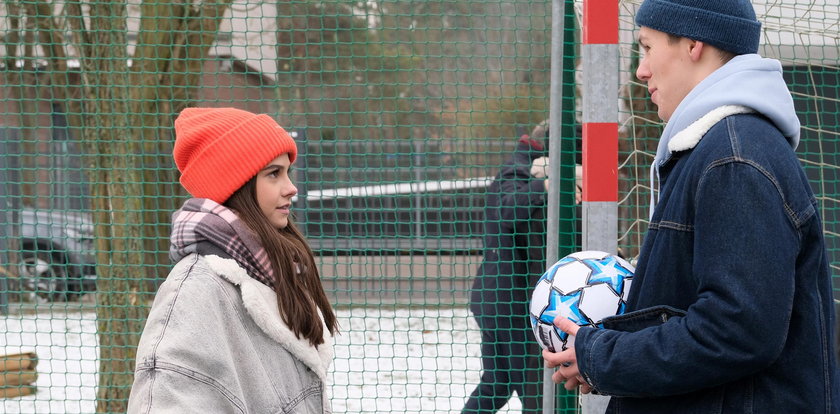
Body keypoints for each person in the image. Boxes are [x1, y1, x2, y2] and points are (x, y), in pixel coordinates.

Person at [543, 0, 839, 412]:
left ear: (693, 43)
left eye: (647, 48)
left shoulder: (735, 157)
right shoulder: (718, 149)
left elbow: (736, 330)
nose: (640, 70)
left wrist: (604, 357)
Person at [127, 107, 339, 413]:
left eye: (287, 172)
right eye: (273, 174)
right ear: (235, 183)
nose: (291, 187)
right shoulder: (196, 290)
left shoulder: (266, 271)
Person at [463, 123, 549, 413]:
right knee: (536, 393)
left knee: (496, 384)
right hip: (509, 305)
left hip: (495, 300)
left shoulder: (521, 168)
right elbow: (508, 210)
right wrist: (547, 184)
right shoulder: (517, 170)